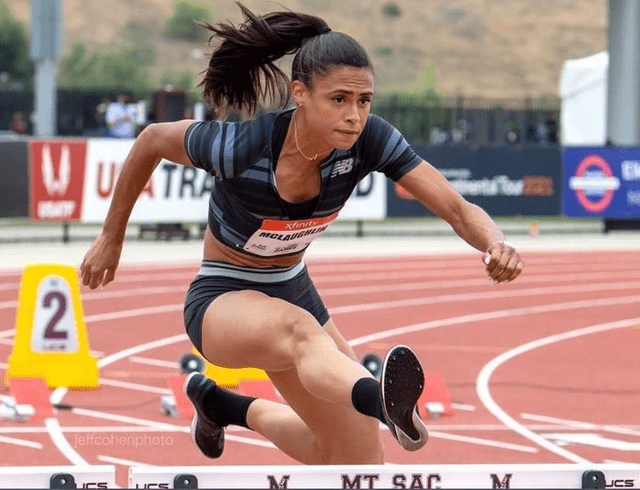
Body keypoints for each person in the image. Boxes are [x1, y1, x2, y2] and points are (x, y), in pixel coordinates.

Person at [80, 4, 524, 464]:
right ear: (300, 94)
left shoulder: (370, 140)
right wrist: (112, 236)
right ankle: (381, 402)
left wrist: (496, 242)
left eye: (364, 101)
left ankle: (222, 405)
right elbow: (152, 139)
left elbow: (455, 206)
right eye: (339, 99)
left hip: (292, 289)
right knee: (301, 331)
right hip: (222, 297)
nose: (354, 115)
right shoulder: (242, 147)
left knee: (353, 461)